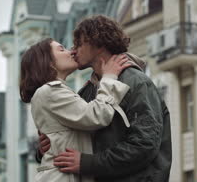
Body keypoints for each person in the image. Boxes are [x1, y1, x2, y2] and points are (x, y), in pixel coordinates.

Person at [38, 15, 172, 182]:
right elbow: (74, 138)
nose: (73, 51)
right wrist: (46, 146)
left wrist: (88, 163)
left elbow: (144, 145)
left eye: (79, 44)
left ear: (98, 43)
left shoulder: (136, 82)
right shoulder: (87, 91)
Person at [20, 38, 133, 182]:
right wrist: (110, 77)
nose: (71, 52)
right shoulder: (51, 92)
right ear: (48, 62)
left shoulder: (55, 92)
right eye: (62, 49)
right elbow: (97, 116)